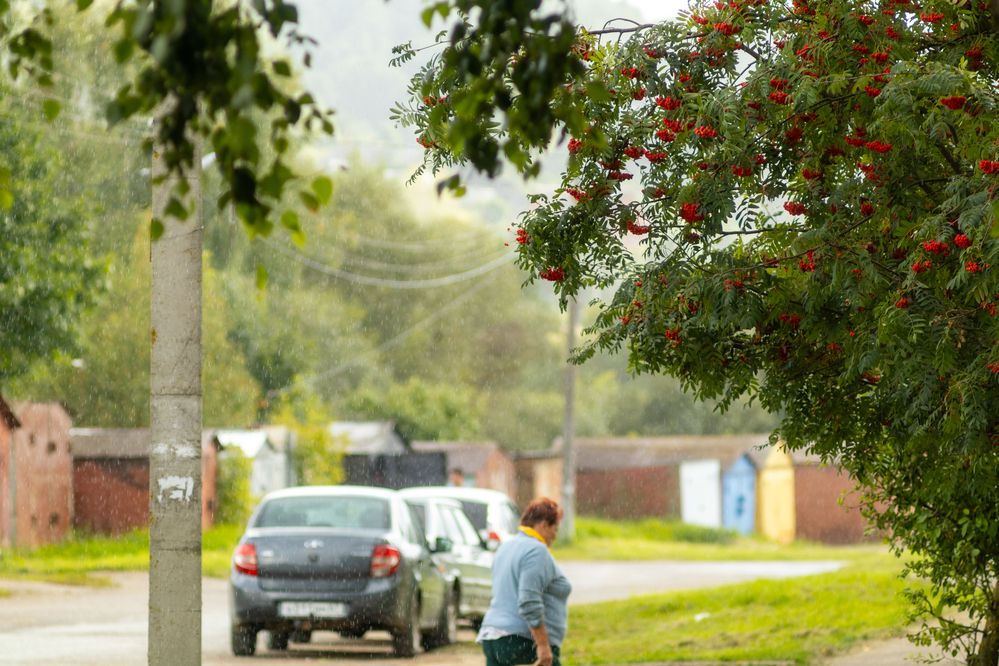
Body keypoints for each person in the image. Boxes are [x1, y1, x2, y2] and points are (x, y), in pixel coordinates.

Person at [477, 497, 571, 666]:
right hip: (521, 640)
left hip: (492, 639)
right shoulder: (536, 551)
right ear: (543, 525)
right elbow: (529, 601)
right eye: (555, 529)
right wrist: (543, 646)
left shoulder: (506, 547)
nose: (555, 536)